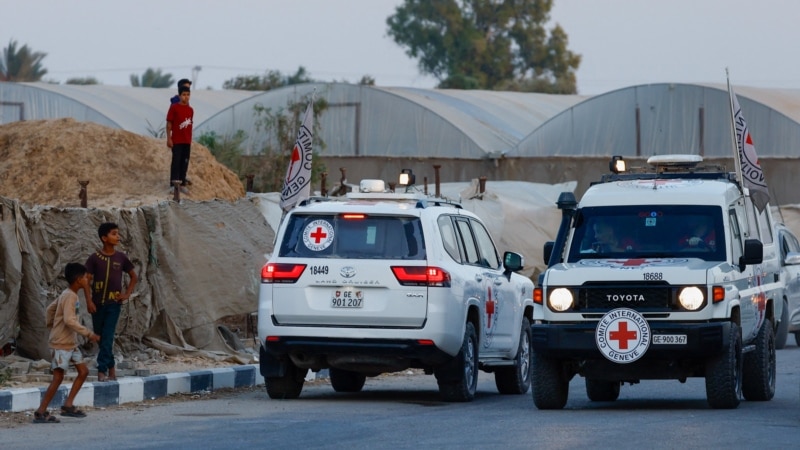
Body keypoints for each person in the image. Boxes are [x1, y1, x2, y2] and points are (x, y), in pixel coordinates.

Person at [33, 263, 101, 423]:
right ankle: (40, 412)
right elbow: (69, 320)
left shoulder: (68, 294)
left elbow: (50, 309)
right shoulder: (70, 296)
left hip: (70, 343)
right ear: (78, 280)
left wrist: (51, 325)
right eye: (85, 277)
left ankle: (68, 405)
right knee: (58, 377)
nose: (88, 279)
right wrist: (88, 333)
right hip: (61, 344)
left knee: (83, 371)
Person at [84, 222, 138, 382]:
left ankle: (102, 371)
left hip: (113, 305)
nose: (118, 237)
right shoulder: (94, 258)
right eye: (114, 234)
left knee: (107, 336)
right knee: (101, 337)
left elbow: (134, 276)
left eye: (118, 233)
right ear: (104, 238)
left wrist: (126, 294)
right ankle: (112, 369)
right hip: (97, 305)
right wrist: (88, 301)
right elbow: (86, 281)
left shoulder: (121, 258)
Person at [166, 85, 194, 193]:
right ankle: (173, 184)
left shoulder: (191, 110)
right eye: (184, 95)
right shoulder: (174, 108)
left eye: (188, 95)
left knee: (185, 162)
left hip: (187, 140)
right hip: (177, 140)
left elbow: (189, 125)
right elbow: (169, 124)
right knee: (176, 162)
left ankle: (182, 184)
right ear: (179, 95)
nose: (186, 97)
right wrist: (169, 138)